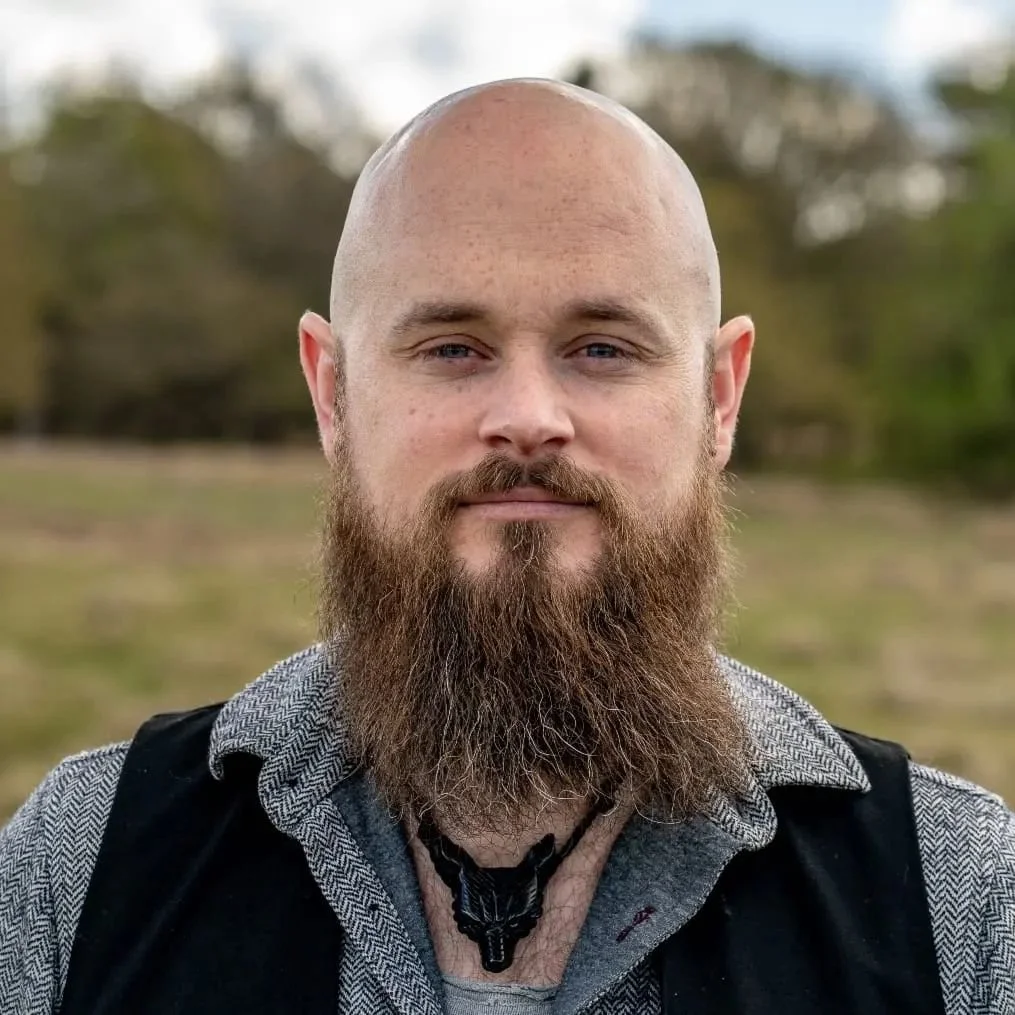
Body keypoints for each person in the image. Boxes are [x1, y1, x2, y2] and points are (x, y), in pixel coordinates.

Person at [1, 79, 1012, 1015]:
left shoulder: (955, 904)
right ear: (332, 391)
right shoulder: (82, 868)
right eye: (453, 348)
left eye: (601, 348)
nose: (528, 418)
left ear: (718, 395)